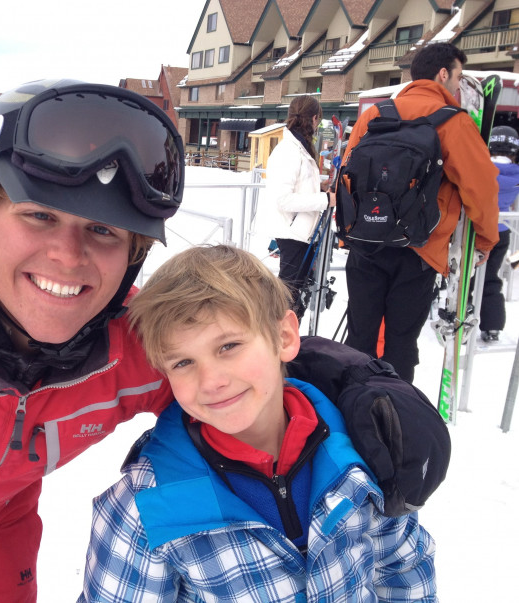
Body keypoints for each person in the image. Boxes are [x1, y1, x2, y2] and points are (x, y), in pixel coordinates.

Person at [0, 80, 441, 603]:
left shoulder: (123, 341)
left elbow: (232, 356)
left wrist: (360, 384)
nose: (67, 258)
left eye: (101, 231)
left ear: (132, 254)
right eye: (38, 217)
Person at [78, 244, 437, 602]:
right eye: (183, 363)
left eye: (228, 346)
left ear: (283, 337)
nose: (211, 381)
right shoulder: (145, 510)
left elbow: (402, 568)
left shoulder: (366, 447)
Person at [337, 42, 499, 382]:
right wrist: (485, 239)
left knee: (360, 335)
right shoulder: (454, 122)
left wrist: (349, 229)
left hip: (367, 239)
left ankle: (352, 403)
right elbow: (480, 187)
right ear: (443, 74)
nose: (457, 87)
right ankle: (396, 414)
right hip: (420, 248)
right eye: (456, 78)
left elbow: (347, 175)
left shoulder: (376, 113)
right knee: (400, 342)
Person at [266, 95, 334, 319]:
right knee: (288, 300)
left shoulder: (301, 147)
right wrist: (324, 200)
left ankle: (288, 346)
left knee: (296, 299)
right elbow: (283, 199)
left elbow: (299, 188)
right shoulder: (289, 150)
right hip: (293, 233)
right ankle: (278, 345)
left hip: (303, 233)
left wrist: (320, 189)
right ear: (314, 119)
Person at [479, 125, 519, 342]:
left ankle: (463, 320)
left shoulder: (482, 169)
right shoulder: (516, 175)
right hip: (503, 231)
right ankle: (493, 325)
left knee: (467, 277)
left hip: (476, 231)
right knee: (491, 277)